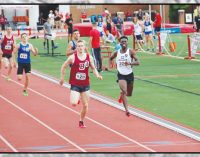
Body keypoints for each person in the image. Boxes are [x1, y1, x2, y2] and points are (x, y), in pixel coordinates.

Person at [60, 40, 102, 128]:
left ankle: (81, 121)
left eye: (82, 46)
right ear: (76, 48)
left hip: (85, 84)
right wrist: (62, 78)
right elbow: (63, 66)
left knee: (86, 105)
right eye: (78, 46)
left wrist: (97, 75)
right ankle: (77, 97)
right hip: (75, 83)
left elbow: (93, 68)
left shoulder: (89, 57)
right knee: (74, 103)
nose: (80, 48)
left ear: (84, 47)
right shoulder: (72, 57)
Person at [109, 36, 140, 117]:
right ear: (120, 43)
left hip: (130, 74)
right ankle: (127, 110)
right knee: (124, 91)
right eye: (122, 42)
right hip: (121, 74)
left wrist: (130, 63)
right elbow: (110, 58)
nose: (123, 43)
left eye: (125, 41)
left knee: (129, 94)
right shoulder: (117, 52)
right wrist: (110, 64)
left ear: (127, 43)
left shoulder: (131, 52)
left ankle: (122, 95)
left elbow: (138, 62)